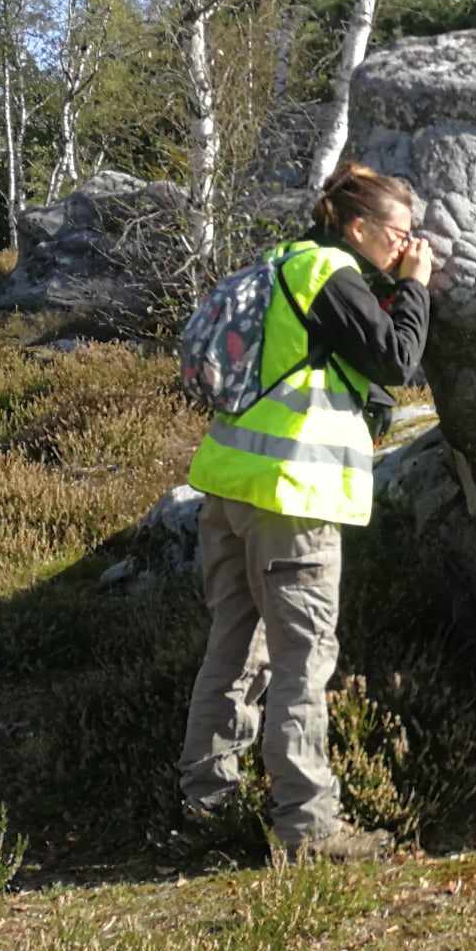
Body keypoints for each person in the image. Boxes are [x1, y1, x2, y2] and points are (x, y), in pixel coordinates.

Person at [175, 161, 433, 861]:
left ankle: (206, 801)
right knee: (302, 660)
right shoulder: (328, 274)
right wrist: (414, 286)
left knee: (233, 648)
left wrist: (394, 276)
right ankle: (308, 828)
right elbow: (397, 359)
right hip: (293, 498)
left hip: (228, 487)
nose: (405, 244)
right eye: (398, 232)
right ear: (357, 226)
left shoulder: (282, 262)